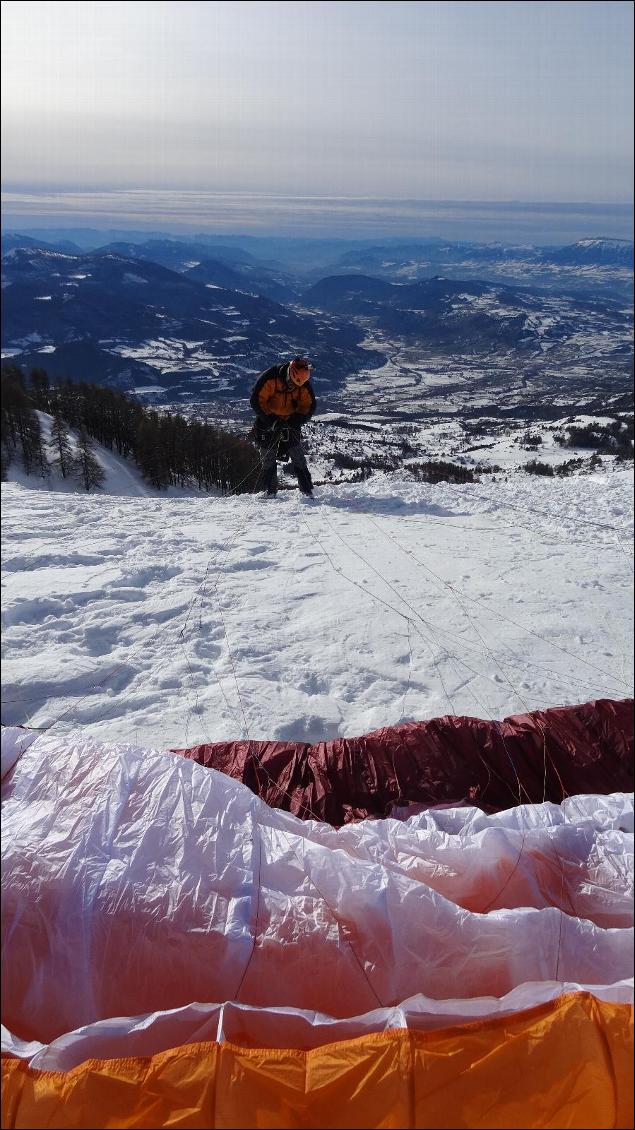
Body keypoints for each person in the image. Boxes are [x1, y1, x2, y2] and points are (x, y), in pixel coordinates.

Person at [250, 356, 316, 497]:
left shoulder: (303, 383)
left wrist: (297, 419)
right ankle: (269, 491)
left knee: (297, 455)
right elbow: (257, 400)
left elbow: (308, 406)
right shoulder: (270, 377)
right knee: (268, 457)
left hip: (290, 422)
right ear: (288, 374)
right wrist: (271, 420)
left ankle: (307, 489)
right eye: (292, 383)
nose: (294, 387)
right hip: (267, 420)